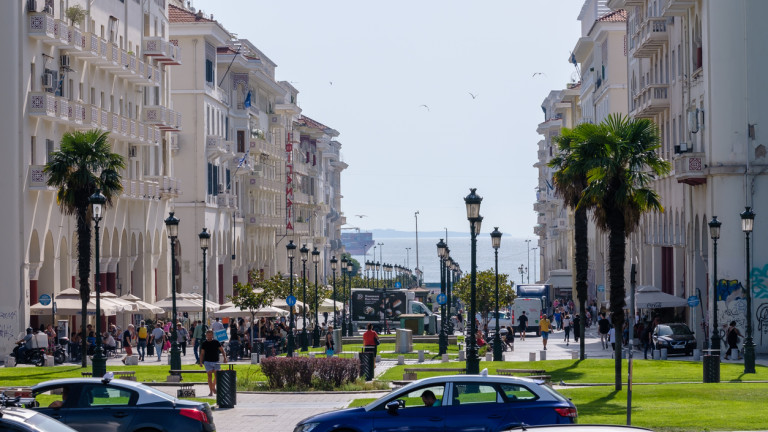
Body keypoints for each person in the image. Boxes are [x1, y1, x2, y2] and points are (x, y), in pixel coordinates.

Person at [199, 329, 227, 397]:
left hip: (216, 361)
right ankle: (211, 391)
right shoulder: (204, 343)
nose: (209, 336)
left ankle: (213, 387)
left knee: (217, 376)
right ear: (206, 335)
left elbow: (222, 350)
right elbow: (202, 353)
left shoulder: (216, 342)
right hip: (207, 361)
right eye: (208, 335)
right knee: (209, 376)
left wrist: (225, 358)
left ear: (212, 335)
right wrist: (200, 362)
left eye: (210, 335)